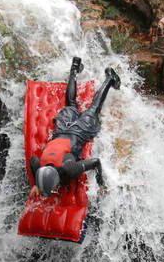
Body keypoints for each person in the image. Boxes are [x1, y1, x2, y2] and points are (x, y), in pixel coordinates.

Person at [30, 57, 121, 198]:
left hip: (78, 133)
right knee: (71, 104)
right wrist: (36, 184)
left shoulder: (69, 169)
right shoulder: (39, 167)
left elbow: (96, 162)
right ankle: (74, 68)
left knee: (94, 108)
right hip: (61, 128)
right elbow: (33, 160)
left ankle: (110, 78)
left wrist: (101, 184)